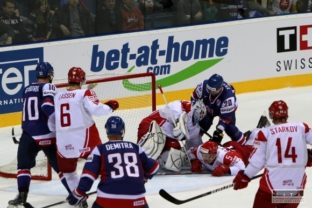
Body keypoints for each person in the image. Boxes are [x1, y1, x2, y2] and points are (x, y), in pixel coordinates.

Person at [53, 67, 119, 206]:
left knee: (69, 173)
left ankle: (79, 199)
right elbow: (97, 109)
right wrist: (110, 106)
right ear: (82, 79)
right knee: (104, 164)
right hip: (84, 138)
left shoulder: (57, 96)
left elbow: (52, 120)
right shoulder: (85, 93)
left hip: (63, 142)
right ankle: (114, 191)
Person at [8, 62, 71, 207]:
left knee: (24, 167)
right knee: (60, 167)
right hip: (47, 133)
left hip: (28, 134)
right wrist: (61, 122)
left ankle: (22, 198)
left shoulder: (26, 89)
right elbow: (47, 106)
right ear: (50, 75)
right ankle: (75, 195)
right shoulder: (49, 86)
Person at [67, 116, 159, 208]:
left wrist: (78, 193)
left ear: (107, 131)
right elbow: (154, 167)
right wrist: (145, 178)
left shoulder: (100, 150)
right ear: (123, 131)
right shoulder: (136, 148)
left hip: (108, 200)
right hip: (137, 200)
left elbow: (88, 176)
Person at [233, 100, 312, 208]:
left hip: (271, 188)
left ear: (271, 115)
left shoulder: (266, 133)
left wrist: (245, 176)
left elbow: (257, 162)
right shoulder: (302, 128)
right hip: (295, 189)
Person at [137, 99, 206, 172]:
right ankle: (137, 163)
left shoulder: (195, 129)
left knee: (176, 157)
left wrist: (196, 159)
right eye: (196, 113)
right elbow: (176, 115)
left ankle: (157, 163)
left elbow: (195, 146)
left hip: (167, 137)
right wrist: (178, 122)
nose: (197, 117)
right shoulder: (179, 106)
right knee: (154, 142)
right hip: (152, 125)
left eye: (200, 116)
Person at [191, 73, 245, 145]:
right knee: (203, 124)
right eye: (209, 89)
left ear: (220, 88)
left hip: (226, 112)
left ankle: (243, 144)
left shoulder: (228, 98)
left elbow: (225, 119)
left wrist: (219, 131)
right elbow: (193, 97)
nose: (210, 92)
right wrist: (195, 108)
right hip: (208, 108)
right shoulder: (203, 85)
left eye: (213, 91)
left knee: (230, 128)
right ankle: (193, 144)